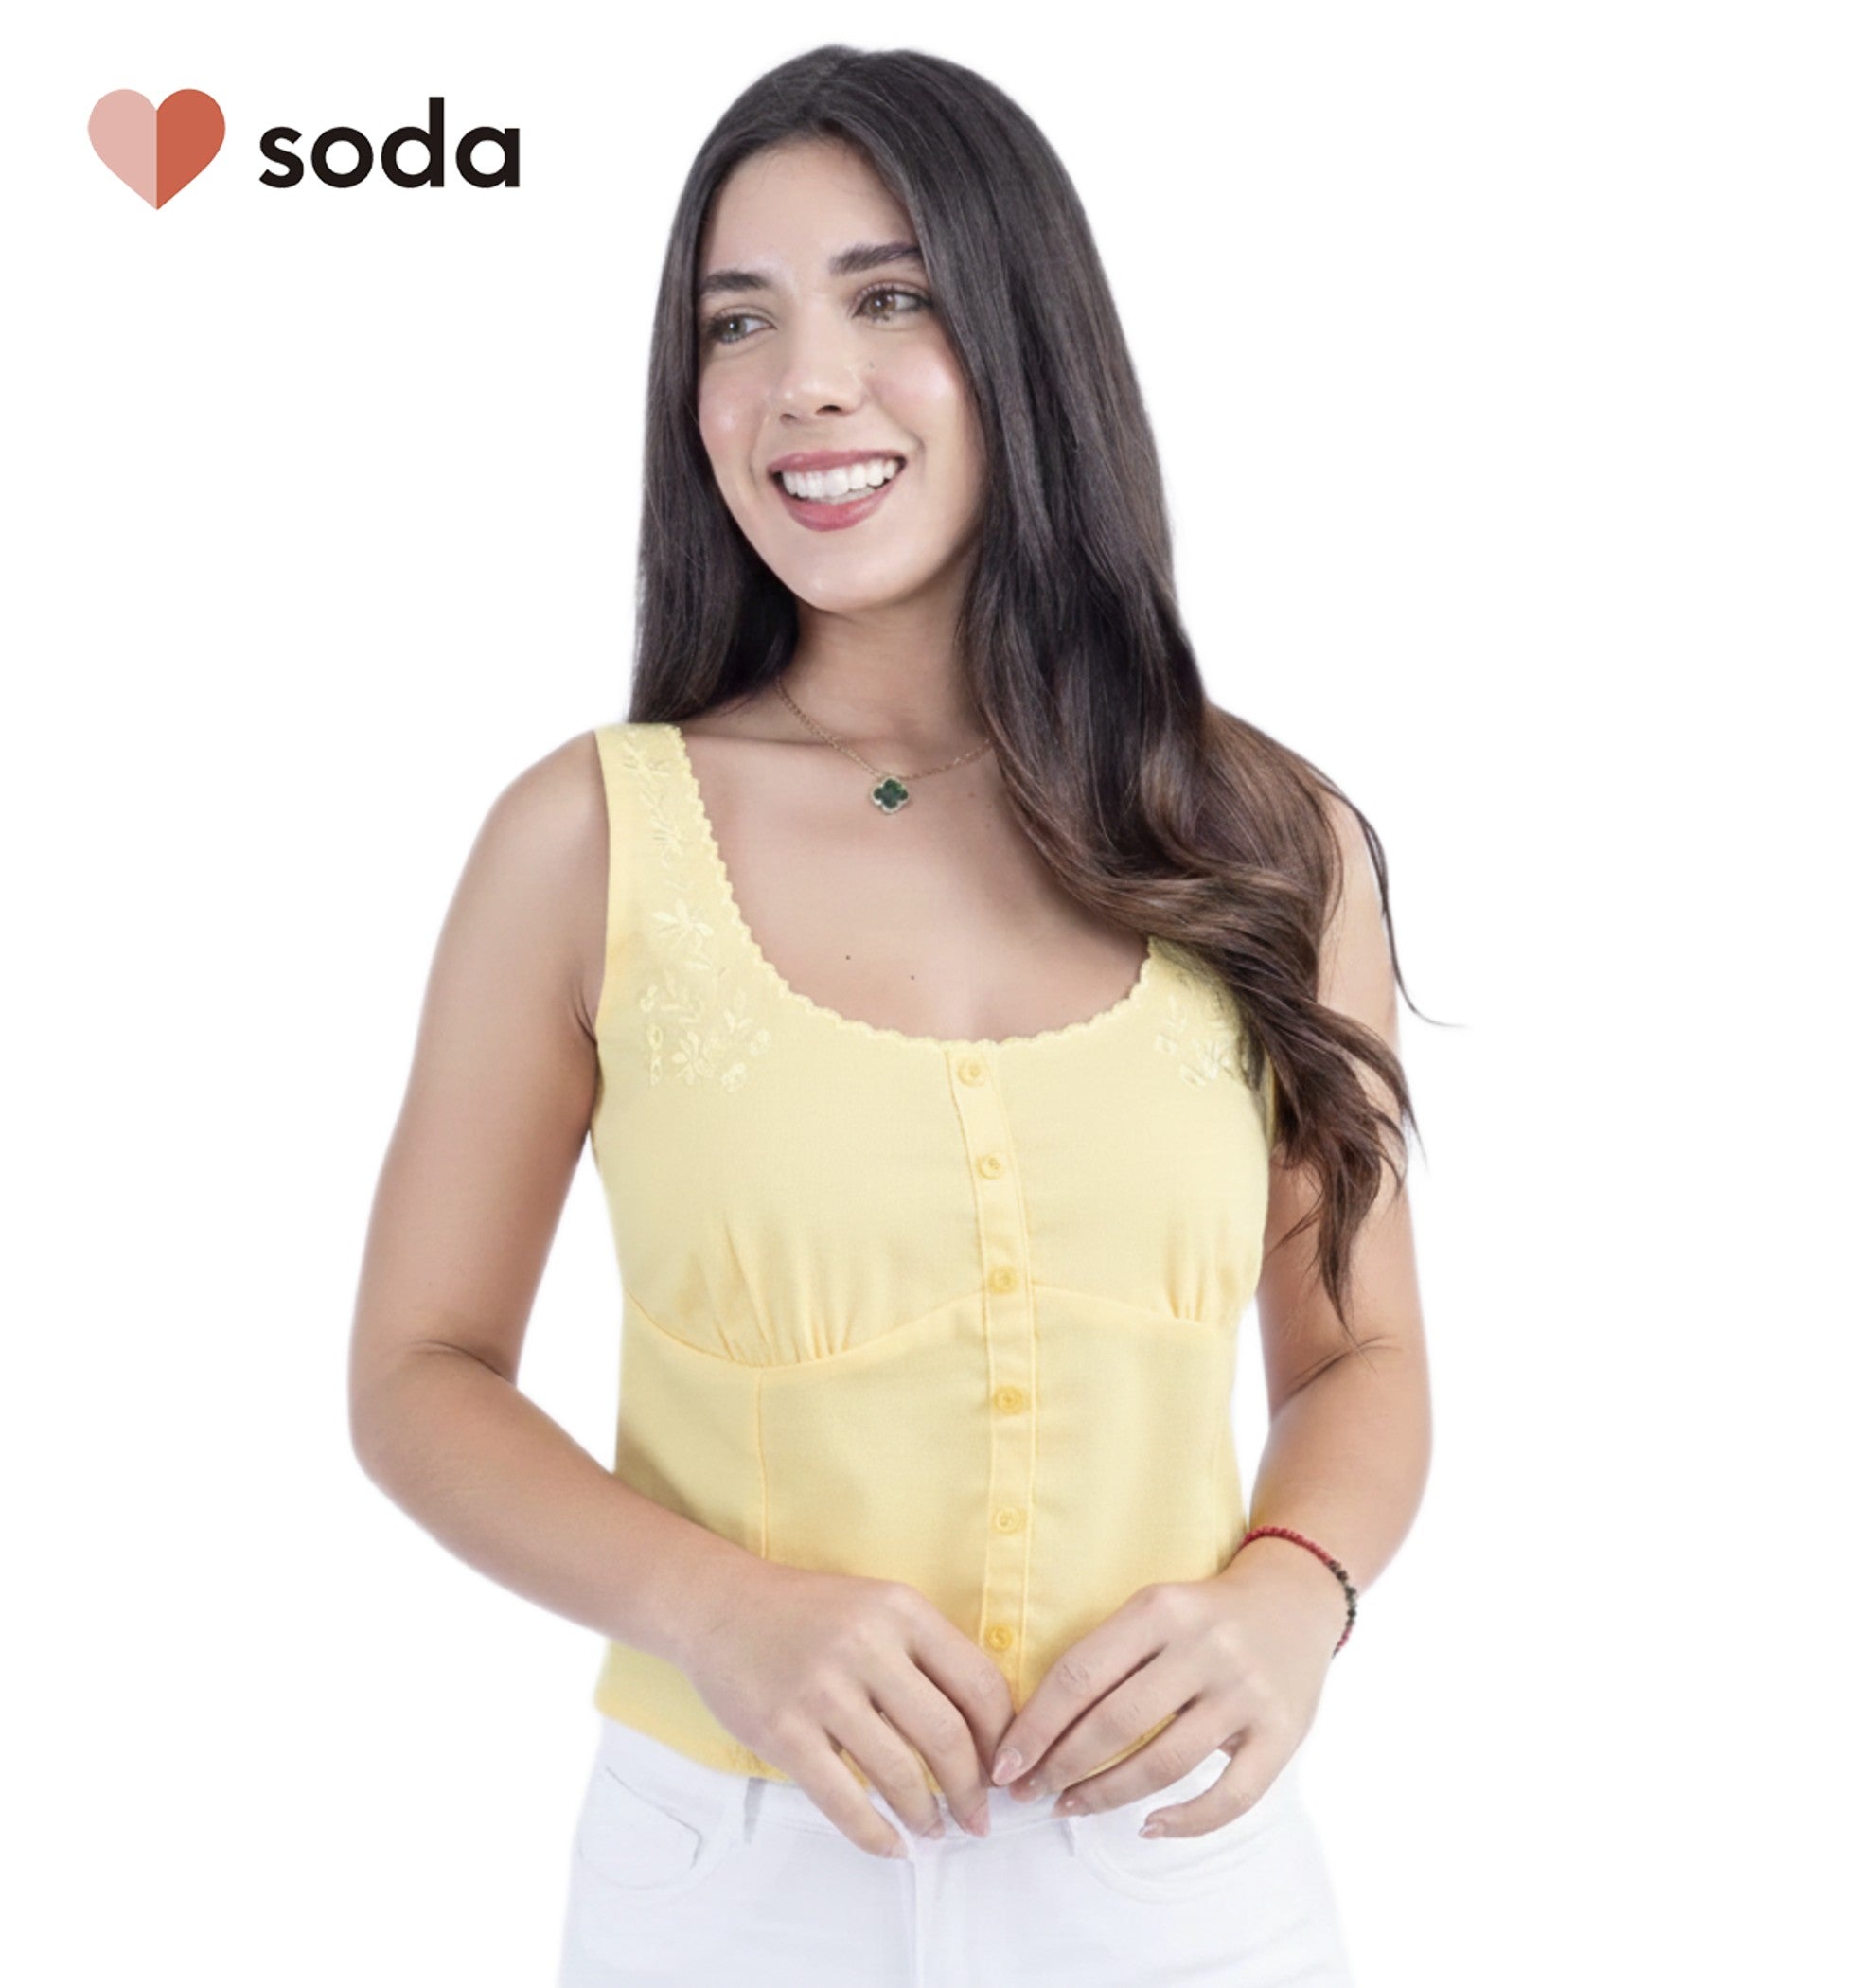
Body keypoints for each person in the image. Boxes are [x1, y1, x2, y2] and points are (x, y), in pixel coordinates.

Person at [348, 43, 1430, 1988]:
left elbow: (1361, 1357)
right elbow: (419, 1373)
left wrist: (1295, 1593)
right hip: (730, 1876)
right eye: (736, 321)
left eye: (891, 296)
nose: (805, 382)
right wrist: (714, 1611)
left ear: (1025, 339)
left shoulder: (1269, 836)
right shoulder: (587, 841)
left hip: (1180, 1879)